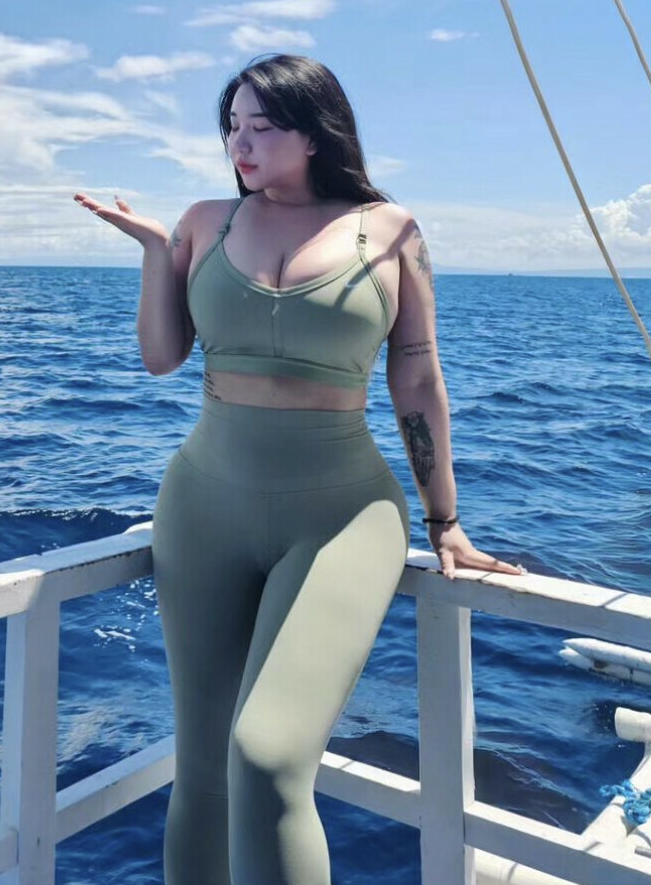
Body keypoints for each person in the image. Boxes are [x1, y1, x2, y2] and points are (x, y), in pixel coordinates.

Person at [74, 53, 524, 885]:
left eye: (262, 126)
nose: (239, 145)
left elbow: (418, 381)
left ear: (315, 134)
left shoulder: (389, 231)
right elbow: (161, 358)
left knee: (268, 756)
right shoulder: (204, 223)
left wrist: (445, 522)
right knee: (202, 766)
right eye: (230, 127)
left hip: (341, 516)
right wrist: (154, 253)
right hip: (202, 509)